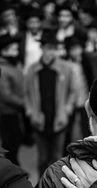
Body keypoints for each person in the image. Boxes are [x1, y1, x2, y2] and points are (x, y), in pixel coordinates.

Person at [24, 30, 81, 175]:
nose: (52, 52)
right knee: (42, 158)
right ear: (41, 48)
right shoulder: (32, 69)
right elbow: (26, 94)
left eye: (55, 48)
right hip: (39, 120)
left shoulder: (66, 68)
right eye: (48, 48)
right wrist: (30, 112)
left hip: (59, 120)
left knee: (57, 158)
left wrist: (67, 110)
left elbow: (73, 91)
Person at [0, 35, 25, 165]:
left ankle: (15, 164)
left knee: (17, 139)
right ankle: (12, 167)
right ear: (4, 51)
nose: (17, 51)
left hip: (17, 109)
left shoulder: (15, 62)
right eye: (13, 49)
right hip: (8, 111)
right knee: (10, 142)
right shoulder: (1, 68)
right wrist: (25, 103)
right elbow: (5, 95)